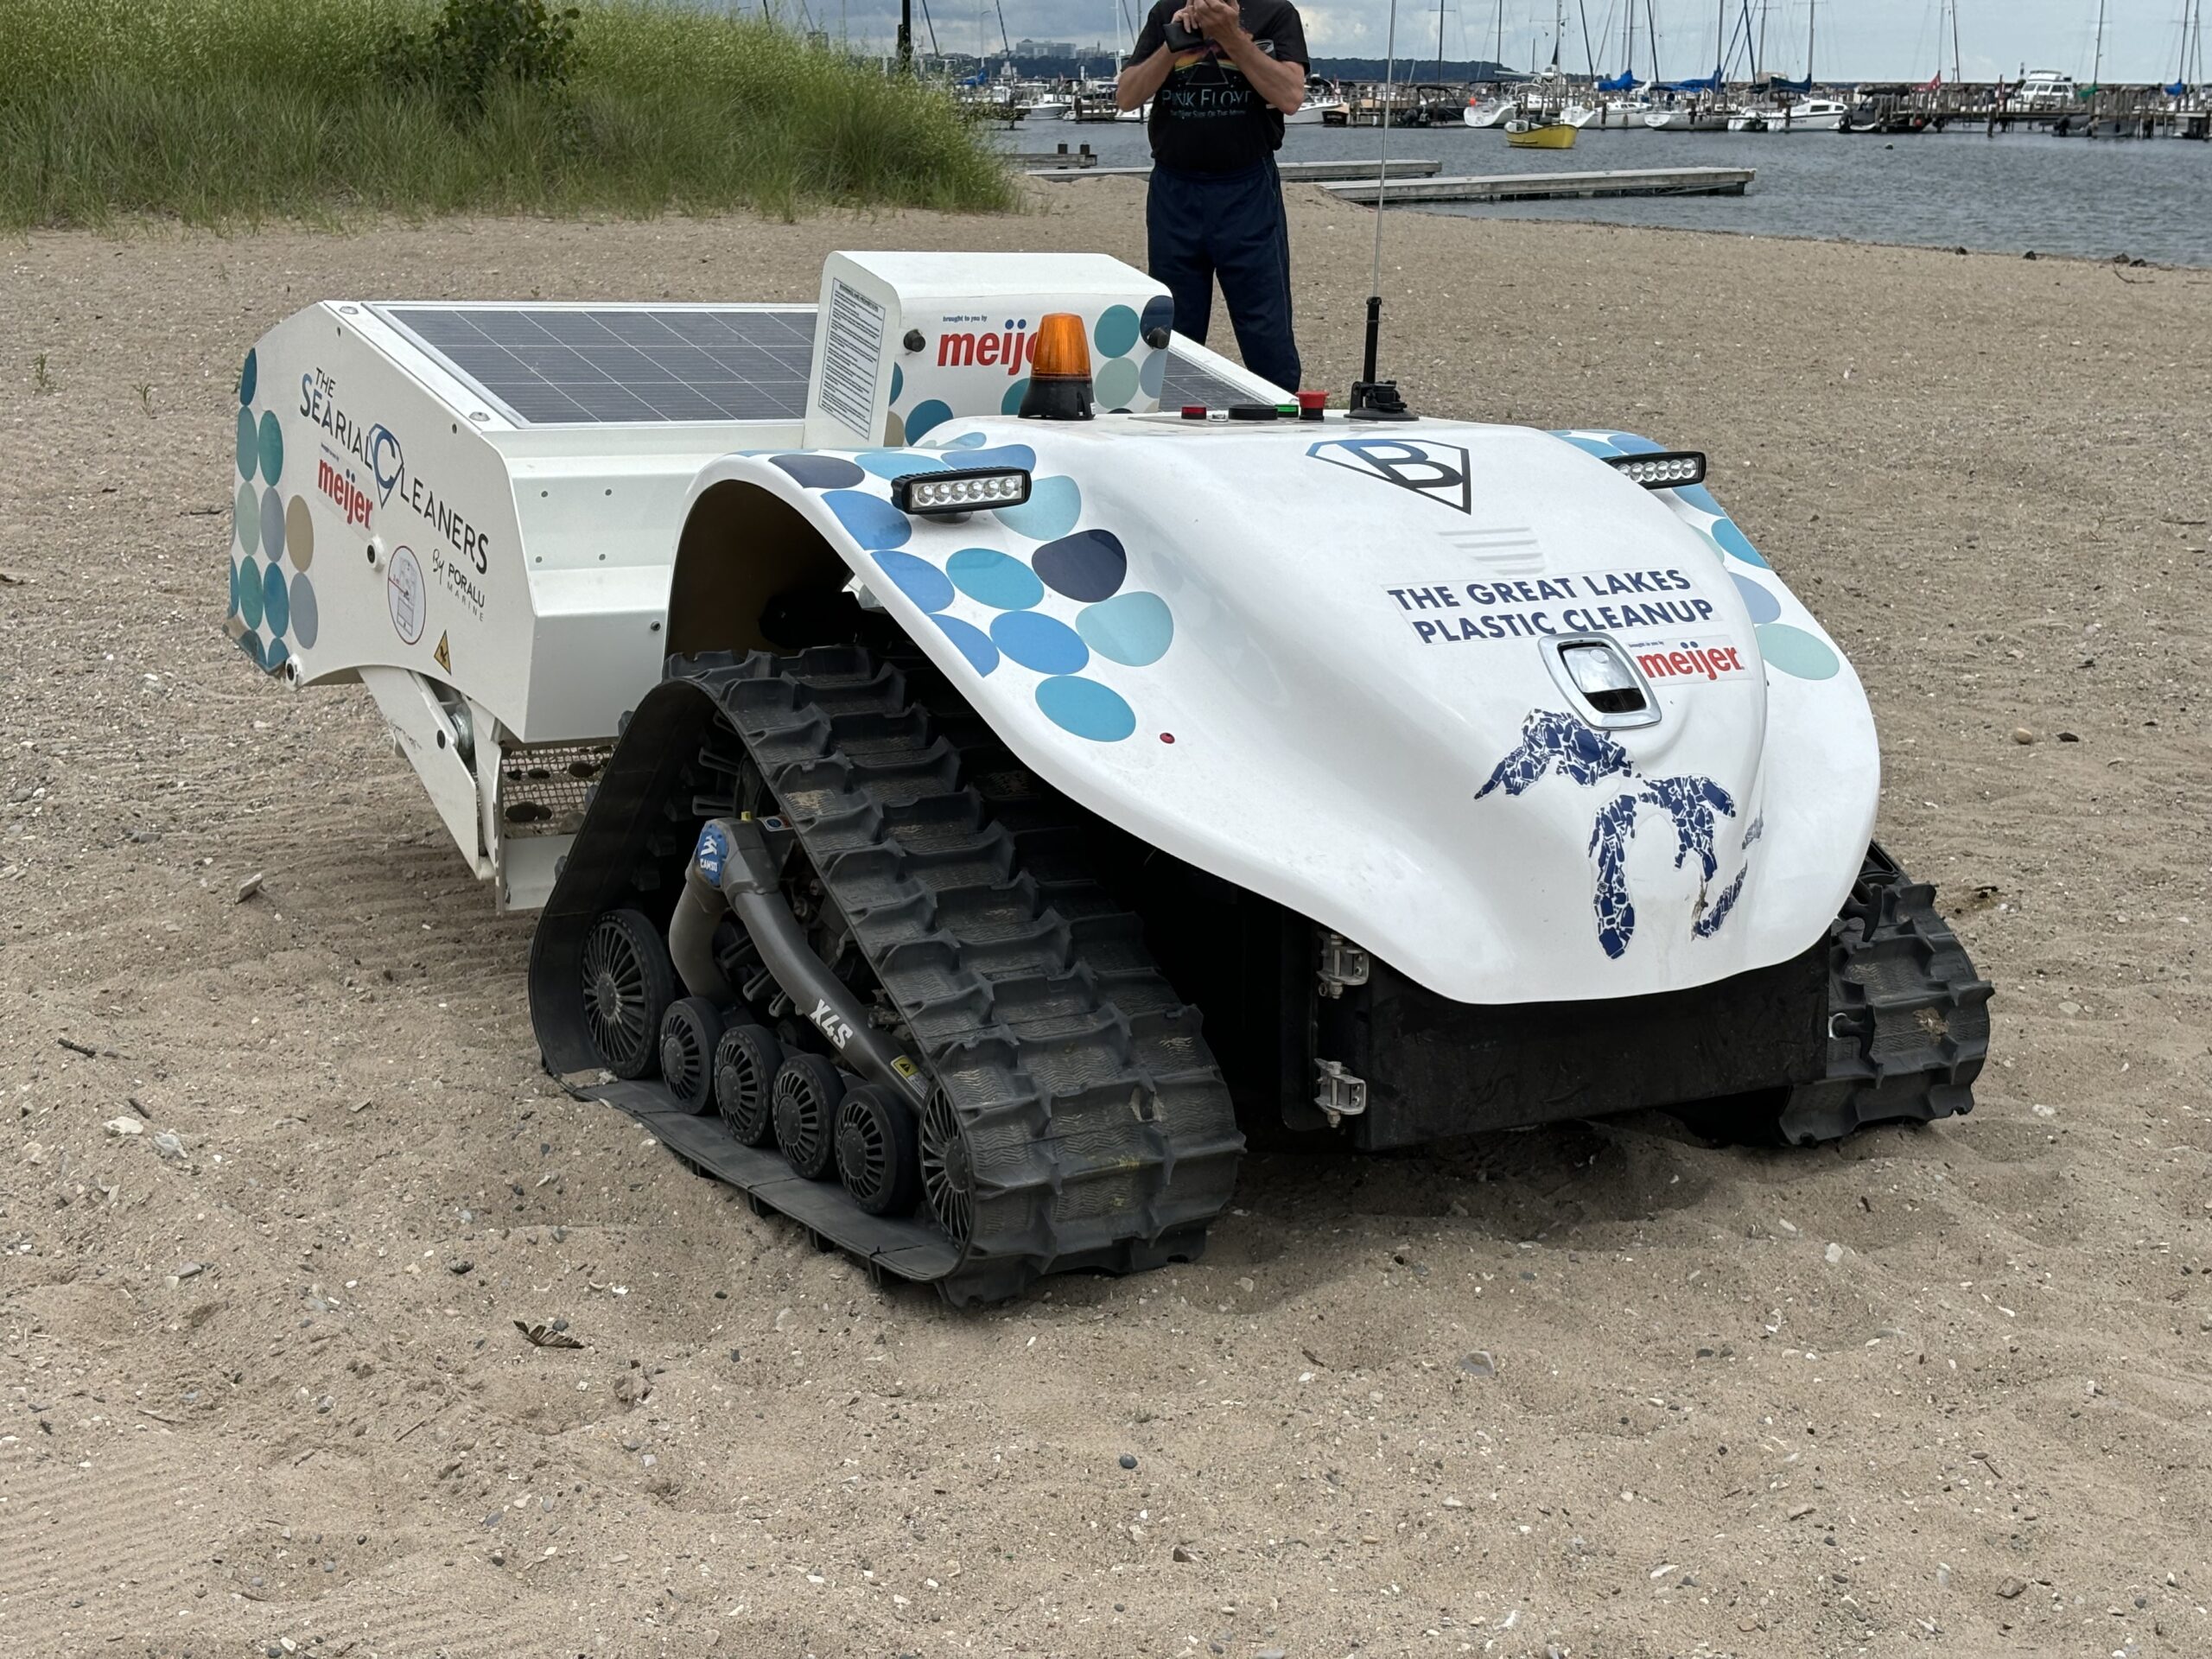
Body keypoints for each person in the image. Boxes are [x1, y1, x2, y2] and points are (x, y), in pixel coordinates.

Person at [1116, 0, 1308, 394]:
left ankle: (1279, 420)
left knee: (1265, 327)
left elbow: (1290, 97)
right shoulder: (1164, 12)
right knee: (1174, 331)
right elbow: (1126, 97)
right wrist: (1172, 43)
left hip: (1247, 187)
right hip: (1175, 187)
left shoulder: (1275, 13)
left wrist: (1230, 35)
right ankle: (1172, 422)